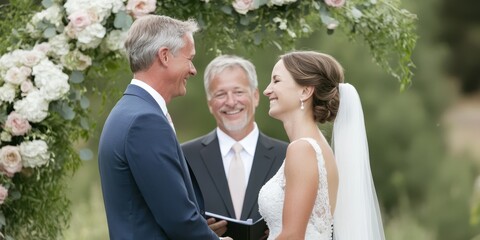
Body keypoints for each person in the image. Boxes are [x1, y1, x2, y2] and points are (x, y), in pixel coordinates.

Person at [98, 15, 231, 240]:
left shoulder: (128, 111)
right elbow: (177, 218)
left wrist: (201, 226)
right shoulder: (145, 121)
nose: (193, 70)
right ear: (165, 56)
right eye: (189, 59)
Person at [258, 51, 385, 240]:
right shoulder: (317, 147)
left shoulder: (303, 149)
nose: (267, 90)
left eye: (276, 81)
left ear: (305, 91)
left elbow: (292, 236)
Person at [182, 55, 288, 225]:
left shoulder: (287, 156)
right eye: (220, 94)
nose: (231, 102)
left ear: (255, 96)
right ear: (209, 103)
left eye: (239, 92)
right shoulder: (184, 157)